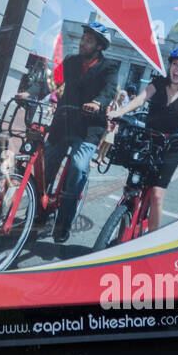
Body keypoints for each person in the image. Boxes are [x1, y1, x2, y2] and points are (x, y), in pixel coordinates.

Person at [108, 46, 178, 233]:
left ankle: (152, 242)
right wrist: (119, 112)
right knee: (133, 184)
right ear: (170, 67)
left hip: (170, 146)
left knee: (157, 195)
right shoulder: (158, 83)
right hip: (149, 139)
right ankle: (124, 216)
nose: (177, 69)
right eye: (175, 64)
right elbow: (140, 99)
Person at [44, 22, 119, 244]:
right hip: (64, 122)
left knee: (77, 167)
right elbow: (51, 82)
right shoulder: (70, 62)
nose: (82, 42)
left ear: (99, 46)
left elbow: (108, 91)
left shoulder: (109, 68)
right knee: (46, 164)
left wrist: (98, 102)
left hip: (89, 129)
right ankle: (39, 209)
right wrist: (30, 91)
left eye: (88, 40)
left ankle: (64, 223)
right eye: (83, 38)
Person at [95, 83, 134, 166]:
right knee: (105, 142)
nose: (123, 98)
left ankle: (103, 157)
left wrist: (117, 127)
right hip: (110, 125)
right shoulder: (114, 103)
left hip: (114, 126)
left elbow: (119, 118)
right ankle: (99, 157)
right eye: (122, 95)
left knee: (109, 143)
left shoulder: (121, 106)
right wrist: (108, 125)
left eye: (124, 96)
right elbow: (108, 113)